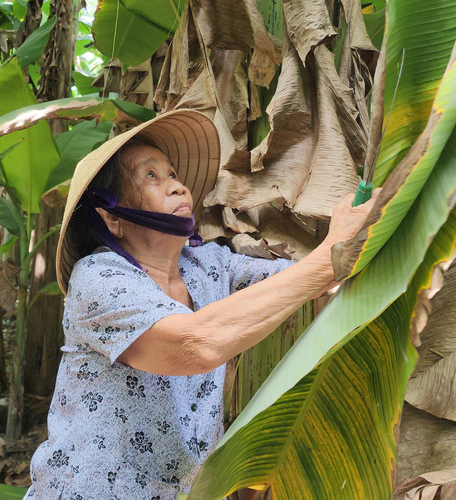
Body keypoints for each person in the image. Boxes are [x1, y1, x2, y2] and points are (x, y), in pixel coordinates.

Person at [23, 109, 379, 499]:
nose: (177, 187)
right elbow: (195, 345)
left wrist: (351, 241)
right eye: (151, 176)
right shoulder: (99, 278)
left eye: (173, 174)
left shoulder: (208, 265)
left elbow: (300, 281)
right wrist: (329, 254)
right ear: (112, 217)